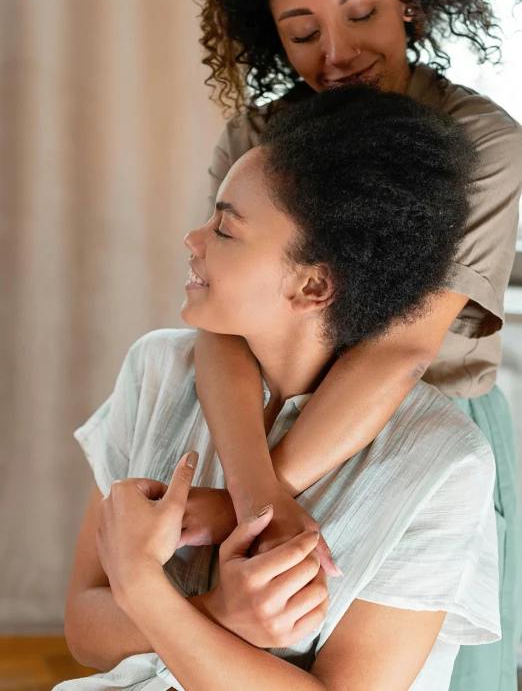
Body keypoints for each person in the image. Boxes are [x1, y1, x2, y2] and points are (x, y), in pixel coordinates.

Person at [60, 87, 499, 691]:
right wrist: (219, 613)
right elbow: (84, 636)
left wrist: (143, 591)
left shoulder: (442, 461)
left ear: (313, 286)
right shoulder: (155, 369)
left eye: (226, 229)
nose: (192, 239)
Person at [194, 0, 522, 689]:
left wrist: (255, 502)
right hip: (263, 436)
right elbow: (220, 326)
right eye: (301, 31)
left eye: (362, 11)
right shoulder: (256, 140)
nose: (336, 54)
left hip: (430, 435)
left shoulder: (482, 142)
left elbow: (404, 348)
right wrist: (255, 494)